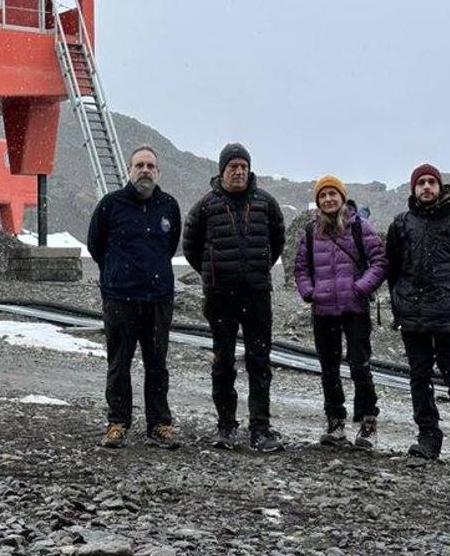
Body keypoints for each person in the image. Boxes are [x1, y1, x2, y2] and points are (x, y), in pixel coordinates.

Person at [183, 143, 285, 452]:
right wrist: (213, 273)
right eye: (233, 167)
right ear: (222, 170)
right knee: (222, 362)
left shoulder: (266, 204)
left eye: (243, 166)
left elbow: (277, 240)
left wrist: (256, 268)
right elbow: (191, 246)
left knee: (259, 361)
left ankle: (260, 427)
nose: (239, 171)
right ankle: (226, 426)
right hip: (219, 296)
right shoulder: (205, 207)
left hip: (256, 294)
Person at [386, 164, 450, 469]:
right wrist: (400, 302)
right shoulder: (402, 224)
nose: (426, 187)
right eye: (421, 183)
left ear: (440, 187)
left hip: (448, 316)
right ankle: (428, 438)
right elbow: (392, 268)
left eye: (431, 182)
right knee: (419, 378)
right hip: (413, 316)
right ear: (413, 188)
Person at [87, 145, 181, 449]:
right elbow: (95, 246)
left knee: (157, 364)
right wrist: (118, 274)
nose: (145, 170)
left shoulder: (169, 206)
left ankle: (159, 425)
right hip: (120, 299)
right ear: (129, 170)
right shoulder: (110, 205)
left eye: (150, 166)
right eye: (139, 165)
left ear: (158, 172)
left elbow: (171, 244)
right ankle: (117, 422)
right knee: (119, 362)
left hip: (157, 299)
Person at [294, 175, 387, 448]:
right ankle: (335, 422)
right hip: (323, 311)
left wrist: (360, 288)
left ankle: (367, 423)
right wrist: (309, 291)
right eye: (323, 195)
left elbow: (380, 261)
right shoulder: (311, 232)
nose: (328, 199)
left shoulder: (360, 227)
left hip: (355, 309)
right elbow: (301, 268)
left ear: (343, 197)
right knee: (329, 369)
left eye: (333, 194)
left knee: (360, 366)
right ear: (318, 201)